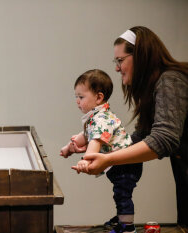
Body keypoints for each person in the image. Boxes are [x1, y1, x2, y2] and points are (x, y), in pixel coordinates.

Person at [73, 26, 188, 227]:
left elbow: (164, 139)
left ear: (141, 56)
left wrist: (107, 158)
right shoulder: (155, 87)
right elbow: (142, 136)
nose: (117, 68)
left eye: (120, 60)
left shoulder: (170, 80)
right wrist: (104, 142)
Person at [61, 69, 142, 233]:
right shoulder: (97, 116)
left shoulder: (101, 119)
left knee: (122, 194)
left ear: (99, 97)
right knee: (119, 193)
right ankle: (122, 218)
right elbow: (84, 136)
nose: (77, 101)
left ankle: (127, 226)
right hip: (119, 162)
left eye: (81, 97)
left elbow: (94, 142)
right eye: (76, 96)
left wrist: (86, 159)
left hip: (126, 163)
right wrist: (69, 148)